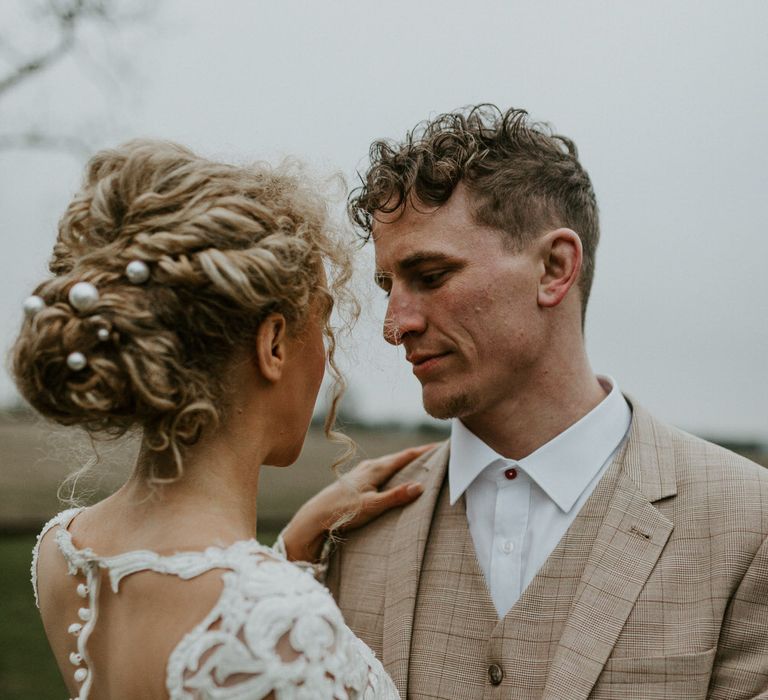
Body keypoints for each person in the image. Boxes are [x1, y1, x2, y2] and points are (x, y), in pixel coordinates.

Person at [280, 105, 768, 699]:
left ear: (555, 268)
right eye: (388, 287)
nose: (394, 325)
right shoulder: (345, 533)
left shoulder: (750, 525)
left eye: (430, 276)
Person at [15, 140, 421, 699]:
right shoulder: (282, 622)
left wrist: (288, 549)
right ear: (274, 343)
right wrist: (275, 579)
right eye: (322, 323)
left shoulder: (63, 553)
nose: (326, 357)